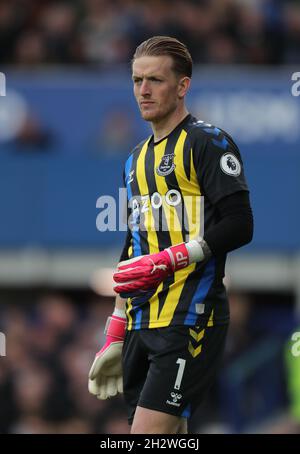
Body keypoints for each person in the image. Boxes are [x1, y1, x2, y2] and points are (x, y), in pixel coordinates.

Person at [88, 36, 253, 434]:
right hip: (141, 324)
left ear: (183, 86)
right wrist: (115, 329)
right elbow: (134, 247)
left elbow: (239, 223)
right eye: (137, 80)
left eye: (155, 81)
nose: (143, 91)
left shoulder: (208, 142)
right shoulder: (134, 159)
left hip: (190, 318)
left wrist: (174, 257)